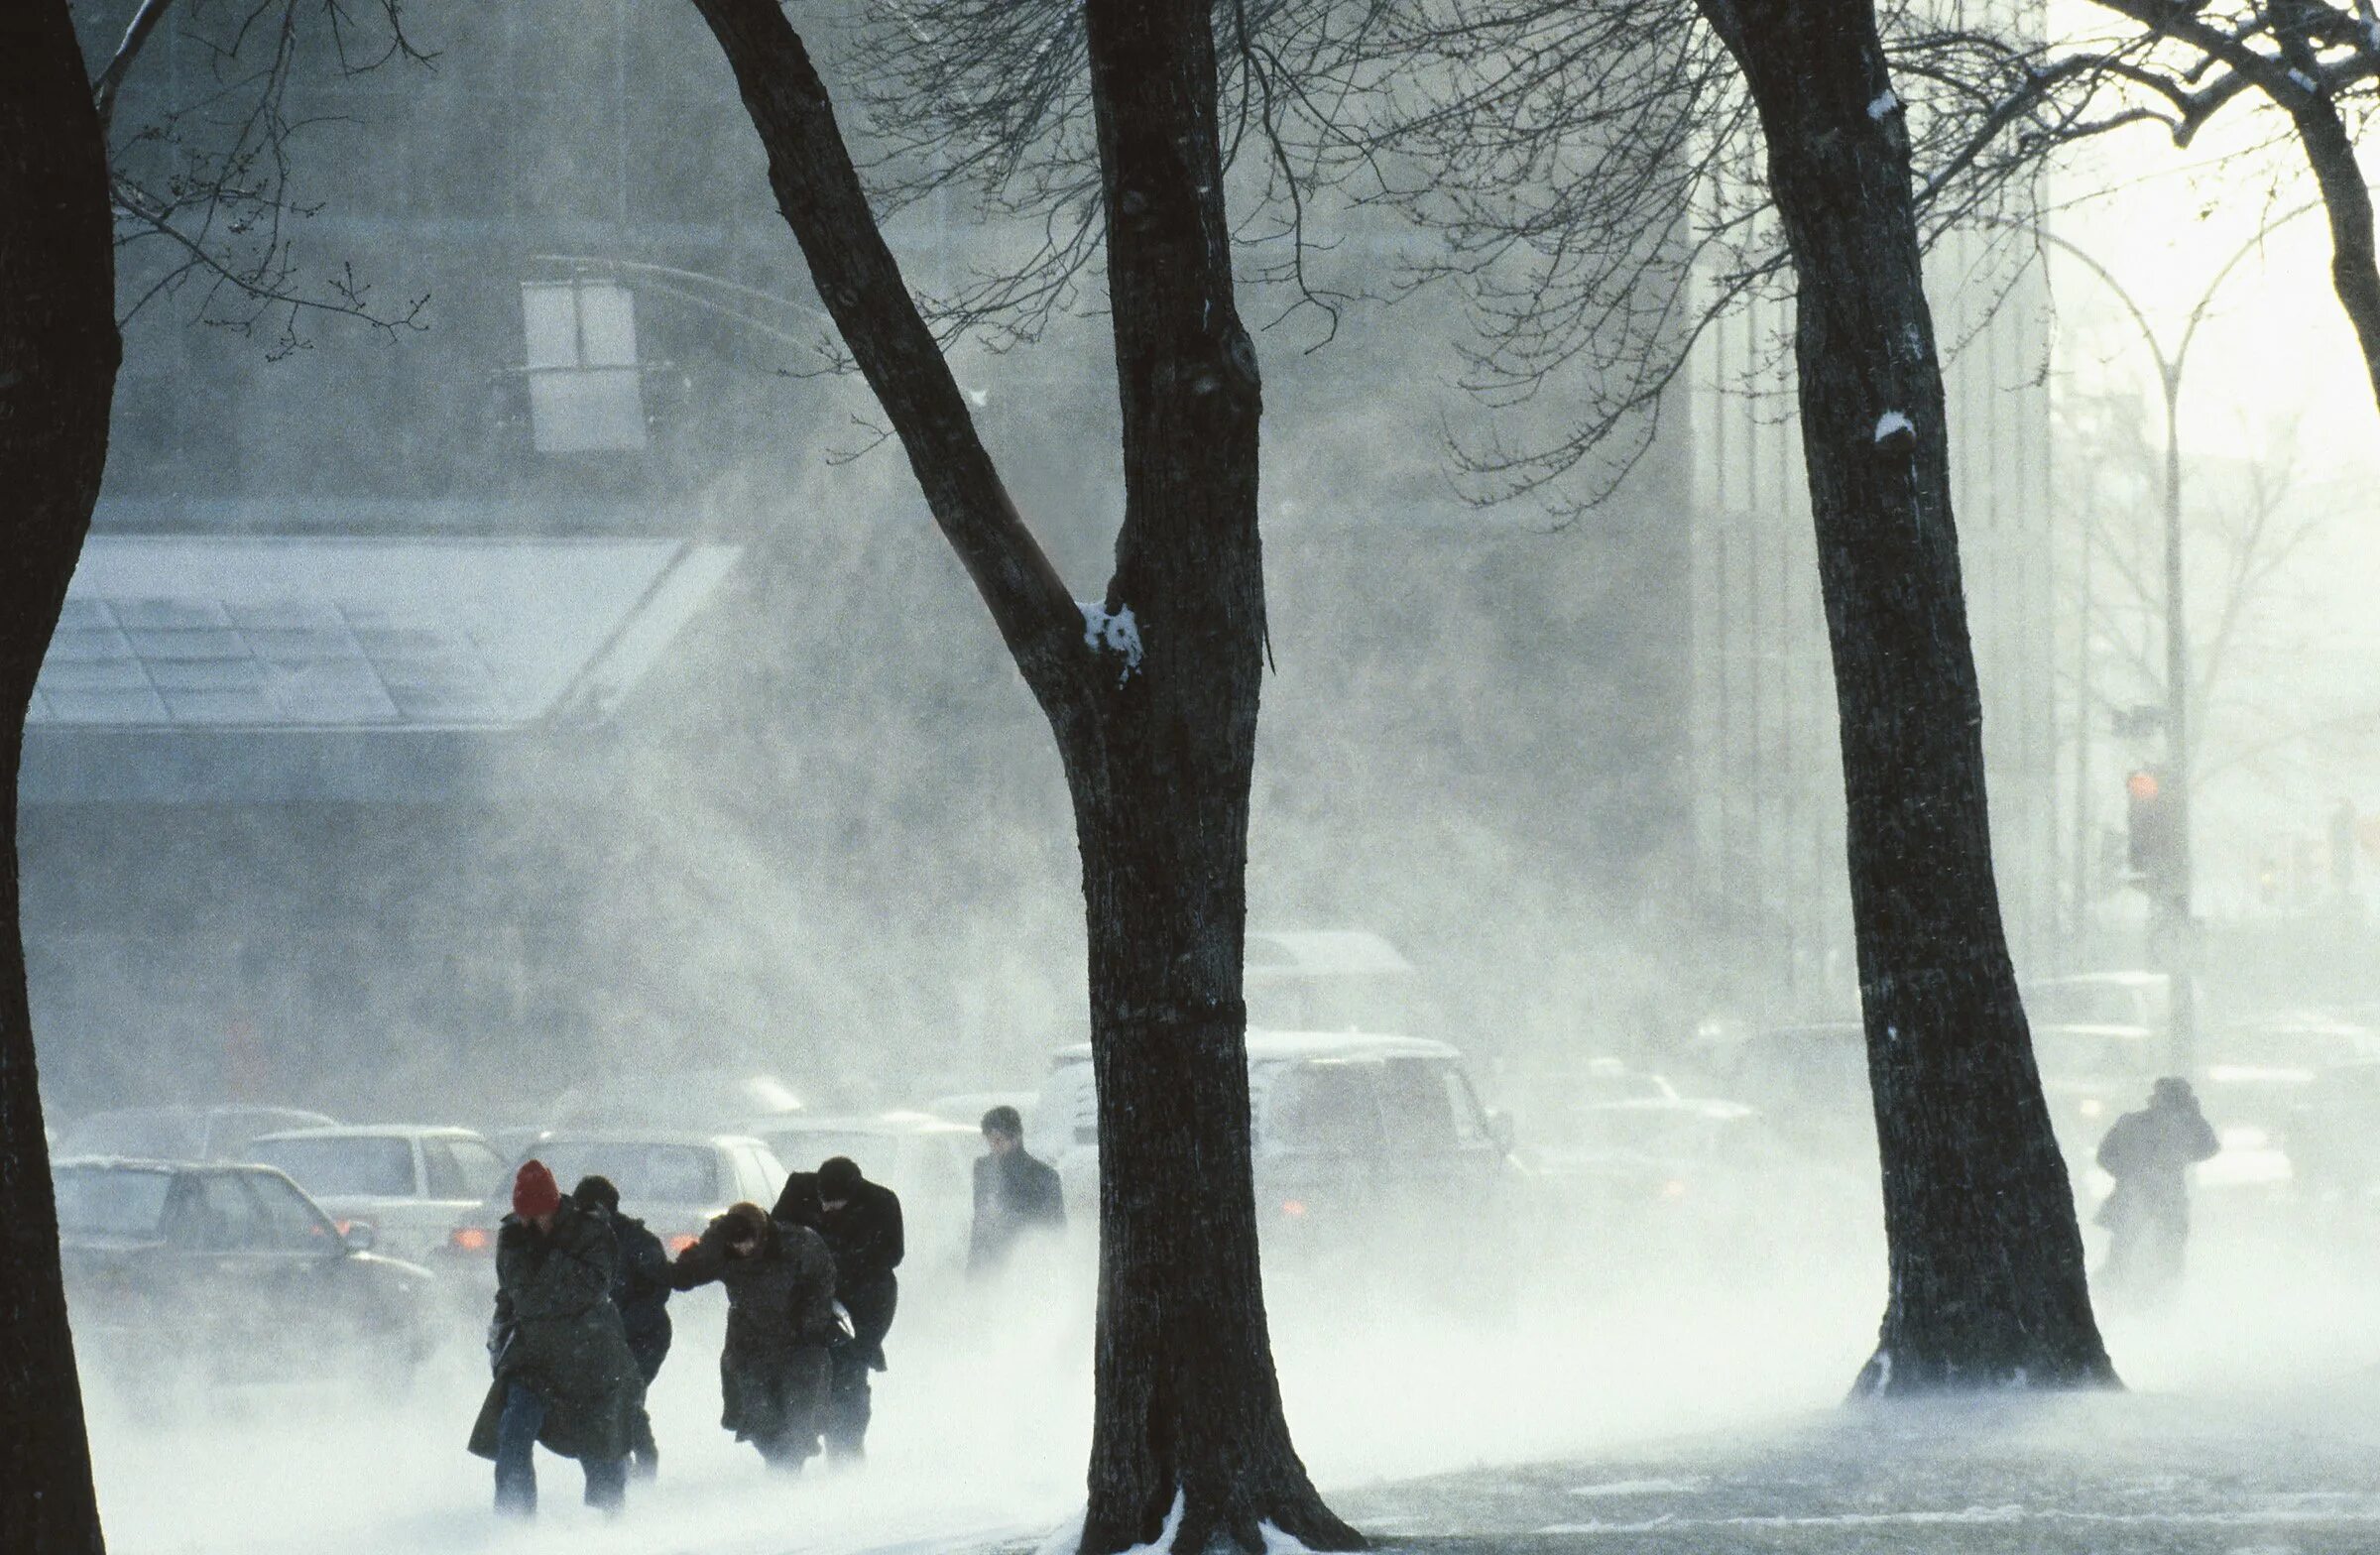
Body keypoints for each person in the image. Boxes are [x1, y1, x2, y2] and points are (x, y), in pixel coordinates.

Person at [466, 1160, 639, 1517]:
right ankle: (514, 1521)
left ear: (554, 1206)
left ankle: (611, 1527)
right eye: (525, 1215)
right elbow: (515, 1295)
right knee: (513, 1433)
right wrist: (501, 1335)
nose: (531, 1224)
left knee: (600, 1447)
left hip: (590, 1358)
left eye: (538, 1214)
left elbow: (588, 1289)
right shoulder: (513, 1235)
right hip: (533, 1358)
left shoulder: (591, 1232)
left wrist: (544, 1267)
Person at [666, 1200, 841, 1472]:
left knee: (800, 1420)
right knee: (758, 1417)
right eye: (736, 1244)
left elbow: (823, 1279)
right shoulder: (722, 1248)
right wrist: (711, 1242)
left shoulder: (798, 1244)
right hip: (749, 1347)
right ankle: (782, 1468)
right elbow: (683, 1277)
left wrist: (811, 1324)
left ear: (761, 1233)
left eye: (747, 1242)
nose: (743, 1249)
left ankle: (789, 1478)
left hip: (800, 1346)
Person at [776, 1156, 903, 1464]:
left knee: (849, 1373)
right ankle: (787, 1453)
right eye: (824, 1201)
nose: (828, 1210)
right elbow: (777, 1235)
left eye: (837, 1204)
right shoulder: (798, 1191)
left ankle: (846, 1450)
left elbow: (892, 1254)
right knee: (798, 1372)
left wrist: (840, 1263)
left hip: (865, 1301)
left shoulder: (882, 1203)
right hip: (807, 1300)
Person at [571, 1174, 671, 1480]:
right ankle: (619, 1466)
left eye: (586, 1211)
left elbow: (658, 1291)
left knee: (625, 1397)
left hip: (644, 1337)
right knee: (600, 1403)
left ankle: (644, 1461)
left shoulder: (638, 1242)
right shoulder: (579, 1241)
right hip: (602, 1338)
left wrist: (619, 1322)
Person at [2094, 1076, 2220, 1302]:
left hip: (2143, 1198)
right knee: (2155, 1252)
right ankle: (2138, 1296)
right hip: (2156, 1199)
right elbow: (2209, 1147)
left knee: (2128, 1250)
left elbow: (2105, 1156)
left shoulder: (2132, 1123)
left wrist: (2127, 1174)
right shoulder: (2183, 1127)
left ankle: (2114, 1292)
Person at [969, 1105, 1065, 1276]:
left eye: (998, 1140)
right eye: (989, 1141)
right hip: (989, 1270)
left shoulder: (1045, 1177)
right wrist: (973, 1271)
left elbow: (1056, 1229)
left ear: (1016, 1138)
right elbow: (979, 1223)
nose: (993, 1147)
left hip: (1029, 1271)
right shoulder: (982, 1169)